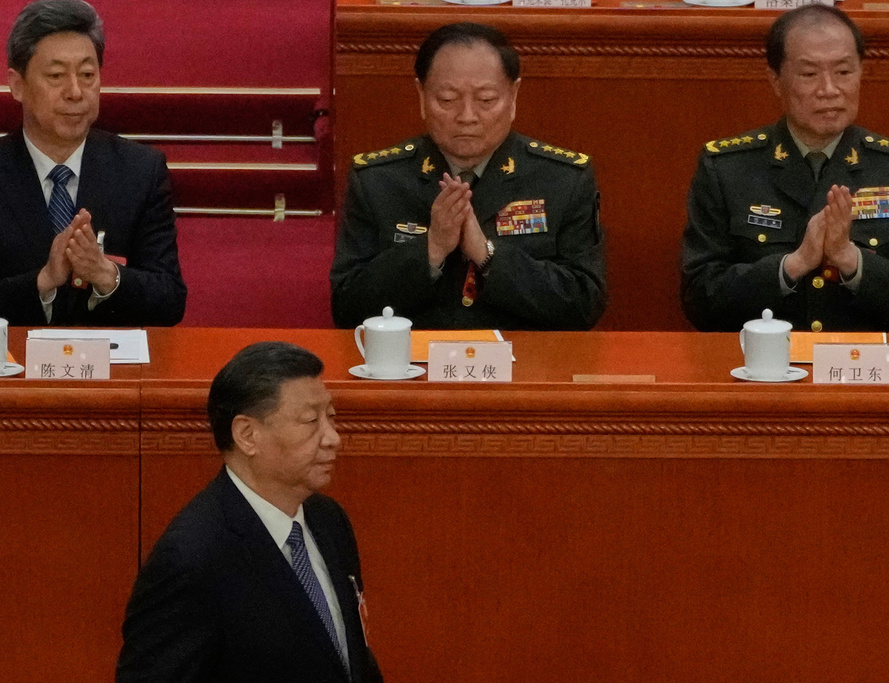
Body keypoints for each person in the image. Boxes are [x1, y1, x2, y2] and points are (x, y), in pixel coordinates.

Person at [117, 342, 383, 683]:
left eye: (331, 417)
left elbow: (352, 657)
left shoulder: (328, 520)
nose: (333, 438)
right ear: (247, 435)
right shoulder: (191, 559)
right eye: (310, 420)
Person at [681, 6, 889, 333]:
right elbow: (700, 302)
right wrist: (794, 264)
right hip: (763, 360)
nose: (829, 89)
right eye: (809, 74)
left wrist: (851, 259)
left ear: (861, 73)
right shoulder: (727, 169)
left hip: (862, 361)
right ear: (776, 81)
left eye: (843, 72)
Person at [330, 22, 606, 331]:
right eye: (447, 100)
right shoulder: (378, 181)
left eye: (486, 100)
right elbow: (347, 307)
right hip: (414, 359)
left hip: (523, 358)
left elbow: (584, 305)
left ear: (513, 95)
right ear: (421, 95)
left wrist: (487, 256)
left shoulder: (563, 179)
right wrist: (431, 249)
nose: (467, 116)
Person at [1, 0, 186, 326]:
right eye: (56, 75)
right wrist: (43, 281)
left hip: (113, 357)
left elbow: (170, 300)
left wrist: (106, 274)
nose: (75, 92)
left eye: (87, 74)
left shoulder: (140, 170)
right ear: (18, 86)